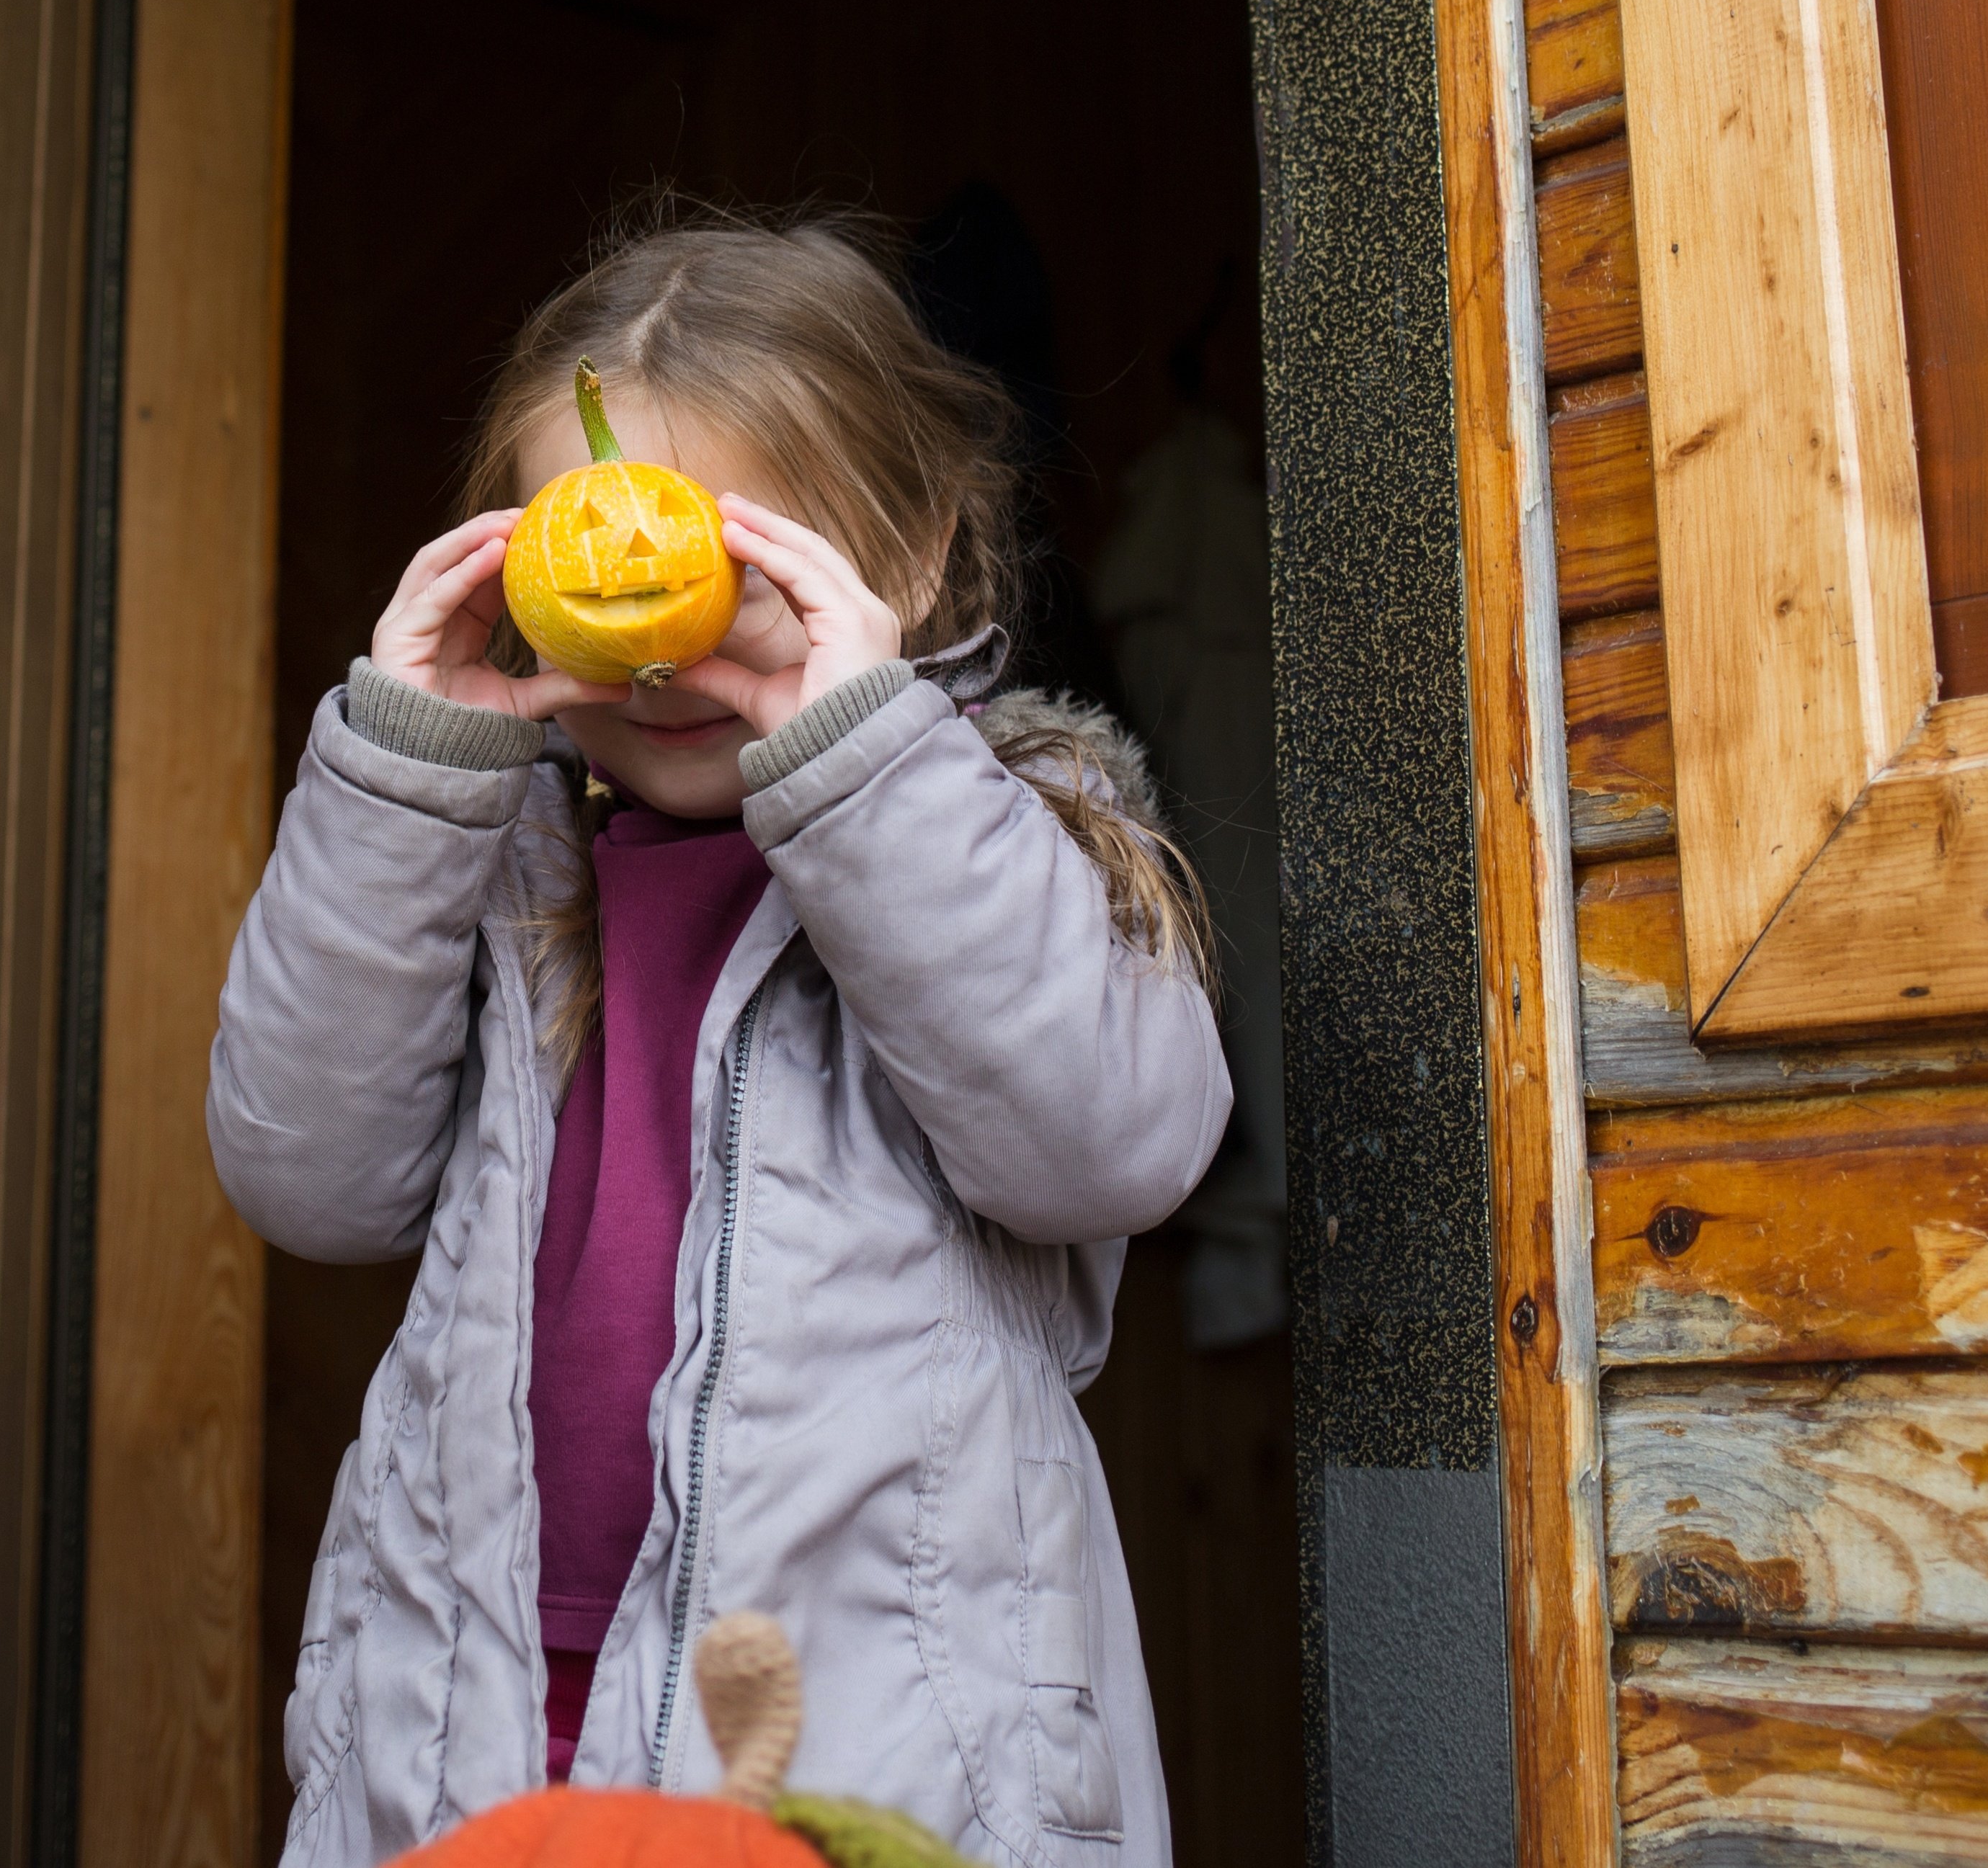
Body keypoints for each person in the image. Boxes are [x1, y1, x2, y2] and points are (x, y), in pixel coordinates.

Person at [210, 209, 1234, 1866]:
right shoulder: (485, 856)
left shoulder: (1010, 825)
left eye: (733, 568)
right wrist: (403, 773)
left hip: (853, 1715)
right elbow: (304, 1175)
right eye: (597, 561)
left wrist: (855, 756)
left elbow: (1109, 1142)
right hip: (479, 1691)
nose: (665, 635)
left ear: (908, 559)